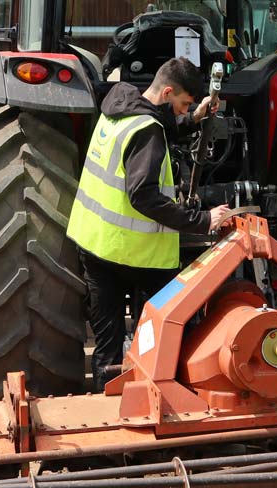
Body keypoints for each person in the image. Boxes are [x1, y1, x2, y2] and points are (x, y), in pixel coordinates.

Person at [66, 57, 233, 392]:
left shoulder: (119, 107)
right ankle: (157, 403)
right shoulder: (148, 132)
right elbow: (143, 196)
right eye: (184, 104)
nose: (184, 110)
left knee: (107, 351)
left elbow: (153, 122)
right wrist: (203, 220)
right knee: (158, 342)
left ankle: (108, 414)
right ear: (168, 91)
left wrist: (194, 119)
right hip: (136, 256)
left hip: (95, 247)